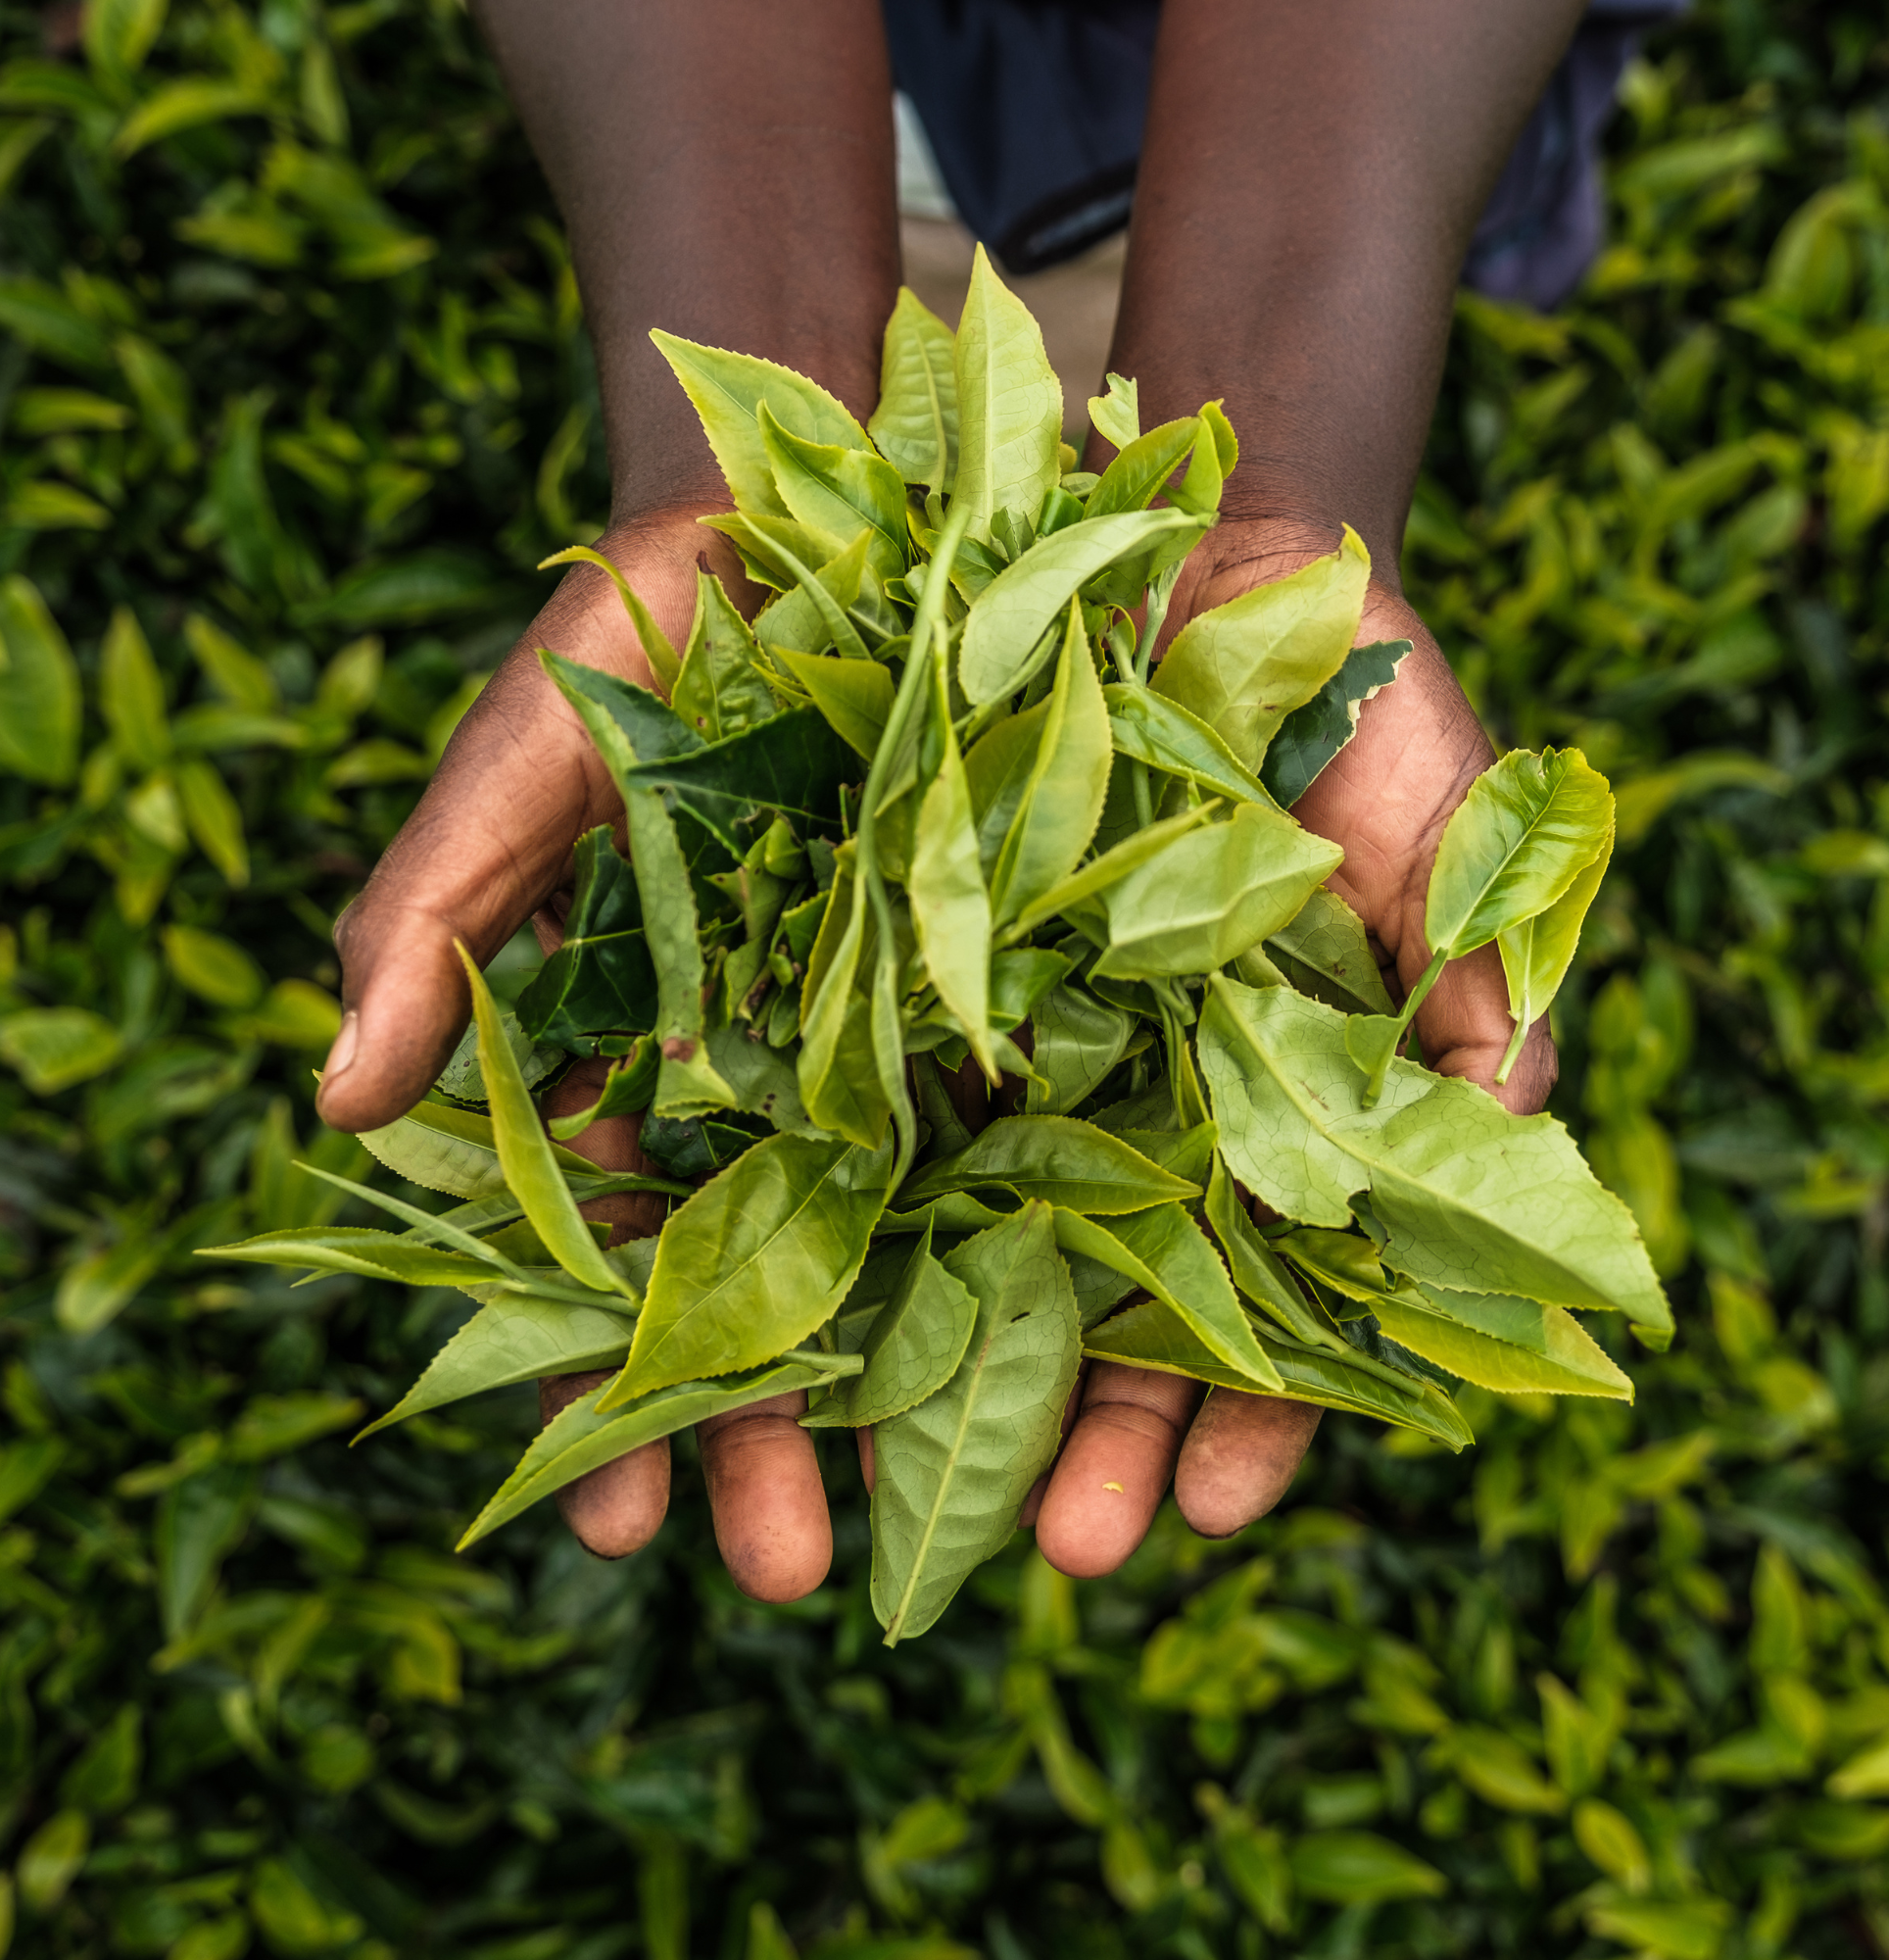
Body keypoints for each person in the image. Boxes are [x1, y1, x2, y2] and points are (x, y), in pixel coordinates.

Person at [315, 0, 1628, 1600]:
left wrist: (1278, 479)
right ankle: (985, 374)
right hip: (762, 90)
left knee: (1083, 344)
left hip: (1343, 86)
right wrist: (753, 468)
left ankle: (1050, 392)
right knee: (977, 333)